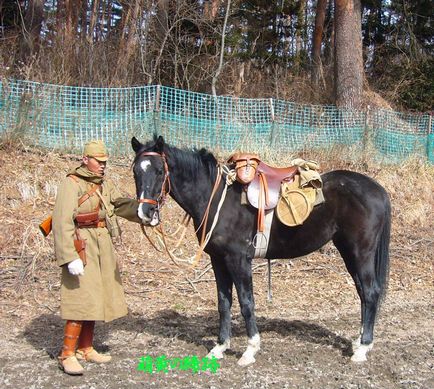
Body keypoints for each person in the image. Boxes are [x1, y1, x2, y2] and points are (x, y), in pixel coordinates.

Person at [52, 140, 141, 375]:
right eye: (98, 162)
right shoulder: (71, 184)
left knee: (96, 295)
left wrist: (141, 210)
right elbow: (61, 222)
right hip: (81, 243)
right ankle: (67, 354)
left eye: (105, 162)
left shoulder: (104, 183)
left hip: (102, 242)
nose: (103, 166)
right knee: (80, 297)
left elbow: (117, 205)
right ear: (85, 159)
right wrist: (69, 256)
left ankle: (86, 348)